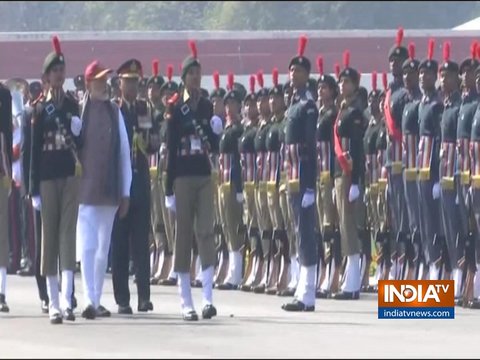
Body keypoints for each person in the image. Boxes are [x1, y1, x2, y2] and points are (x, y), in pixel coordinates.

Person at [164, 40, 222, 321]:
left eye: (199, 74)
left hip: (203, 174)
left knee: (206, 233)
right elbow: (171, 148)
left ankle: (208, 297)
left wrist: (216, 132)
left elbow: (213, 144)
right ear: (184, 78)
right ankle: (186, 301)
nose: (196, 78)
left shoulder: (207, 106)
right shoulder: (175, 109)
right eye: (191, 74)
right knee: (183, 236)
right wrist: (168, 188)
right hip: (183, 177)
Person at [30, 36, 82, 324]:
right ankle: (52, 300)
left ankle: (67, 298)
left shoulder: (73, 105)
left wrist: (78, 129)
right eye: (55, 72)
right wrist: (32, 187)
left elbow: (80, 141)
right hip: (48, 177)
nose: (59, 75)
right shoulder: (39, 109)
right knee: (49, 237)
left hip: (68, 175)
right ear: (47, 77)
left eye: (62, 71)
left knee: (67, 235)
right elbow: (33, 151)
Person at [76, 61, 132, 320]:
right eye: (98, 81)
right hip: (84, 190)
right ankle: (89, 298)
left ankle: (96, 298)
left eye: (105, 80)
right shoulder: (81, 110)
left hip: (109, 190)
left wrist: (126, 192)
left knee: (101, 249)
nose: (104, 85)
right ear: (89, 84)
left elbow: (124, 153)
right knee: (86, 247)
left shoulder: (114, 112)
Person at [110, 58, 159, 314]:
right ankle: (122, 298)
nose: (132, 86)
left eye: (135, 81)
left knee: (141, 242)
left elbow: (154, 143)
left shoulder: (143, 108)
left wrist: (148, 140)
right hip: (121, 184)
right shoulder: (114, 109)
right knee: (120, 242)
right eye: (128, 82)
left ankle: (144, 296)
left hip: (140, 179)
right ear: (120, 84)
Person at [281, 35, 319, 311]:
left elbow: (310, 148)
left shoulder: (307, 106)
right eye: (291, 70)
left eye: (299, 70)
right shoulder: (293, 104)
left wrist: (309, 186)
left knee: (306, 232)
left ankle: (307, 293)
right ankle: (301, 289)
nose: (294, 74)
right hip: (291, 177)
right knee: (297, 231)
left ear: (307, 75)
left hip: (302, 176)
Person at [331, 50, 364, 300]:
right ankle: (348, 278)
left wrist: (358, 181)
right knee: (343, 227)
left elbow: (357, 148)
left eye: (347, 81)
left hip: (350, 175)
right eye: (341, 81)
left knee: (350, 227)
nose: (343, 85)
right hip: (340, 174)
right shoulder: (342, 110)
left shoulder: (355, 113)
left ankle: (352, 283)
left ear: (355, 85)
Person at [384, 27, 410, 280]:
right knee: (393, 215)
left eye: (398, 60)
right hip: (391, 162)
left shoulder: (405, 94)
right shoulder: (390, 93)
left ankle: (404, 268)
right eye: (392, 60)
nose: (394, 64)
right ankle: (397, 264)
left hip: (405, 161)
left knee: (405, 216)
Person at [417, 39, 443, 280]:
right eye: (421, 73)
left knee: (434, 223)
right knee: (422, 223)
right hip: (419, 173)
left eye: (427, 73)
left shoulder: (437, 105)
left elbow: (439, 142)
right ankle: (428, 265)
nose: (423, 77)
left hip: (431, 174)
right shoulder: (421, 104)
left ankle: (437, 268)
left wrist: (436, 176)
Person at [216, 73, 245, 290]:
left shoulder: (239, 130)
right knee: (226, 226)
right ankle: (233, 271)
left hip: (234, 182)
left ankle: (237, 272)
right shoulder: (227, 129)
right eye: (227, 104)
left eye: (233, 104)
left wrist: (240, 187)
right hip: (223, 182)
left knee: (235, 227)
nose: (228, 108)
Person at [315, 58, 341, 299]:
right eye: (319, 87)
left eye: (325, 87)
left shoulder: (333, 114)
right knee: (321, 227)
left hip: (329, 175)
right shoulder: (317, 112)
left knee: (330, 227)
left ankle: (333, 274)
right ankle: (323, 272)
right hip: (317, 176)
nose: (321, 91)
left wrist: (333, 179)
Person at [456, 42, 479, 306]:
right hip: (465, 179)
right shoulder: (467, 107)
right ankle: (467, 288)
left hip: (474, 180)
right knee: (464, 234)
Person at [265, 68, 289, 295]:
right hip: (270, 182)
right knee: (277, 231)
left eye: (276, 97)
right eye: (270, 98)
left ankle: (288, 272)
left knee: (288, 229)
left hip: (284, 180)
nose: (272, 101)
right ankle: (279, 272)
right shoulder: (271, 126)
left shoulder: (285, 124)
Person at [400, 43, 423, 281]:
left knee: (423, 223)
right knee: (410, 222)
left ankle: (424, 270)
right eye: (404, 73)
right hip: (406, 170)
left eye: (412, 73)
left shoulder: (421, 103)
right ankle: (414, 269)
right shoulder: (406, 103)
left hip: (420, 171)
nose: (407, 77)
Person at [155, 65, 179, 286]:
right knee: (162, 221)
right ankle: (168, 259)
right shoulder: (162, 121)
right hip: (162, 173)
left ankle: (177, 263)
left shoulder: (174, 120)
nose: (167, 99)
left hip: (174, 173)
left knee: (175, 223)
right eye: (165, 95)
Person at [239, 76, 262, 292]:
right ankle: (394, 306)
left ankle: (394, 306)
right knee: (251, 227)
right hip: (248, 184)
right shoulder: (245, 129)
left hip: (261, 183)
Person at [0, 81, 12, 313]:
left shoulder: (4, 95)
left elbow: (6, 137)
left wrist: (8, 173)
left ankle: (1, 290)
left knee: (1, 233)